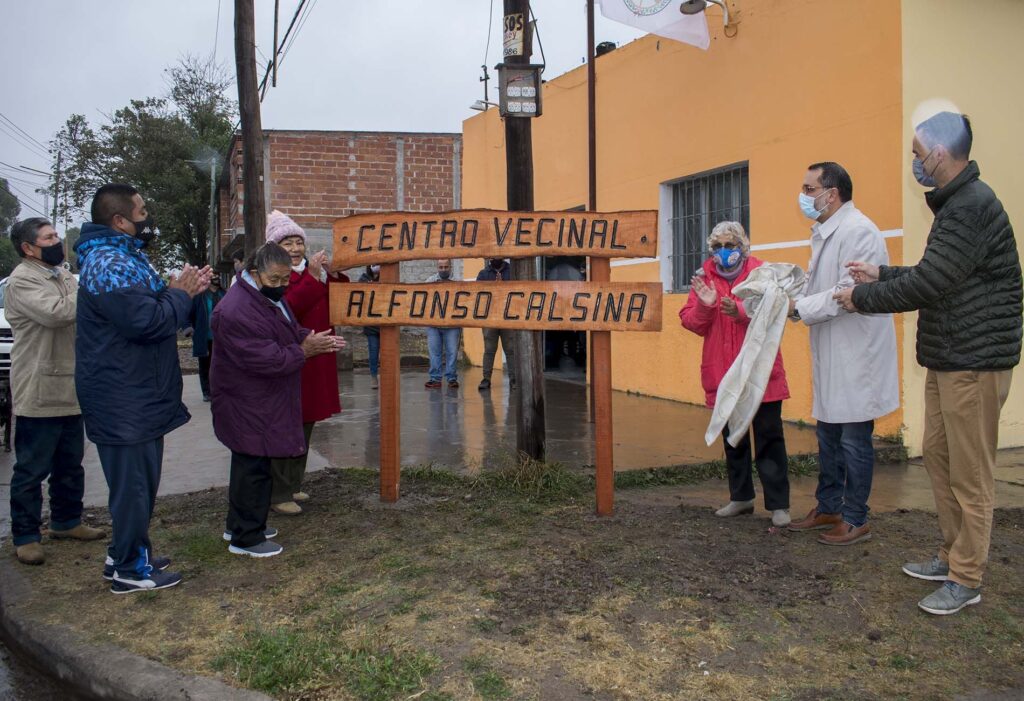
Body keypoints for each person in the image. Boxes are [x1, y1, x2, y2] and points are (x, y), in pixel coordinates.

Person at [837, 112, 1022, 615]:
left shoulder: (970, 207)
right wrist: (883, 272)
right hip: (948, 357)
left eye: (918, 155)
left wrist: (864, 295)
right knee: (940, 458)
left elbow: (929, 285)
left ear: (939, 155)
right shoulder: (956, 205)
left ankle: (967, 576)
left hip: (974, 362)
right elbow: (936, 272)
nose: (915, 163)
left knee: (971, 472)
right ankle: (950, 553)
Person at [75, 183, 211, 593]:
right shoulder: (107, 263)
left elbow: (152, 307)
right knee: (133, 488)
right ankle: (130, 573)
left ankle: (125, 552)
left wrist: (179, 291)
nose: (146, 217)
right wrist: (178, 294)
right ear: (119, 220)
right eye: (141, 211)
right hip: (122, 396)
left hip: (135, 391)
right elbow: (146, 322)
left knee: (139, 485)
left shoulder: (123, 257)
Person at [786, 163, 899, 546]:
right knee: (828, 436)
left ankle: (855, 518)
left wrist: (796, 307)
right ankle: (829, 506)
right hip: (832, 351)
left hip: (855, 353)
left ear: (830, 193)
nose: (803, 194)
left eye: (808, 187)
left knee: (854, 439)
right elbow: (819, 285)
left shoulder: (858, 231)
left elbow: (844, 293)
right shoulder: (825, 233)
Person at [211, 243, 344, 557]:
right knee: (253, 467)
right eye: (275, 281)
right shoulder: (237, 309)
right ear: (254, 273)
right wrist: (303, 351)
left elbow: (286, 328)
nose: (282, 287)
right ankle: (247, 539)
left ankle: (240, 525)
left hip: (257, 399)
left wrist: (306, 337)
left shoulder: (262, 297)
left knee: (250, 464)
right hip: (246, 399)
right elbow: (265, 357)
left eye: (286, 280)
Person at [5, 218, 105, 565]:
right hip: (39, 388)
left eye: (56, 236)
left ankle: (66, 520)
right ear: (28, 248)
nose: (57, 241)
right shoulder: (22, 280)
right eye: (48, 237)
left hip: (69, 386)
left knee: (70, 464)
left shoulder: (60, 274)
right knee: (32, 469)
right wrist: (93, 288)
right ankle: (26, 535)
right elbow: (57, 313)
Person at [679, 221, 792, 527]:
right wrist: (707, 306)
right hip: (723, 373)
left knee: (769, 436)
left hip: (760, 374)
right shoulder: (704, 278)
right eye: (718, 246)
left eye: (730, 245)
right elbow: (691, 322)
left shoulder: (763, 274)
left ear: (743, 245)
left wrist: (741, 312)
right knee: (733, 440)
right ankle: (741, 497)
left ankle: (779, 504)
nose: (724, 252)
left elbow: (776, 313)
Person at [264, 210, 348, 515]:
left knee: (306, 423)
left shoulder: (312, 271)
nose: (296, 248)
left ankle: (294, 484)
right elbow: (289, 309)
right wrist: (313, 277)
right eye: (288, 242)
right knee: (287, 426)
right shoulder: (276, 276)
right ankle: (278, 492)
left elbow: (338, 296)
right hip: (294, 359)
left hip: (317, 358)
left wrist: (335, 272)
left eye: (299, 241)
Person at [476, 258, 516, 390]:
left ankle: (513, 380)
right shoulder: (483, 274)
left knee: (510, 350)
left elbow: (517, 292)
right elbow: (478, 295)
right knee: (489, 350)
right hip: (490, 317)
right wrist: (494, 287)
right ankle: (486, 379)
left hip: (507, 317)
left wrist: (502, 286)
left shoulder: (512, 272)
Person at [424, 259, 462, 389]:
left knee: (452, 352)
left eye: (446, 266)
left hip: (452, 324)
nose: (443, 269)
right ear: (437, 267)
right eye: (441, 267)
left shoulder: (458, 282)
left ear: (450, 267)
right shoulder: (429, 282)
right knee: (434, 352)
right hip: (433, 324)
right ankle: (435, 379)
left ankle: (451, 378)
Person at [188, 276, 225, 402]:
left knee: (222, 365)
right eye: (213, 276)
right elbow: (189, 313)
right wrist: (189, 328)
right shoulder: (200, 296)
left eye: (217, 276)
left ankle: (220, 389)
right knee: (205, 365)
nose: (216, 278)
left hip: (222, 338)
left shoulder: (224, 294)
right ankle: (207, 391)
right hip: (205, 337)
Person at [358, 264, 382, 389]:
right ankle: (373, 377)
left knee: (388, 353)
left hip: (385, 324)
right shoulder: (364, 278)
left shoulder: (385, 278)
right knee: (373, 352)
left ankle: (387, 377)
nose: (376, 267)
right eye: (373, 264)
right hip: (371, 326)